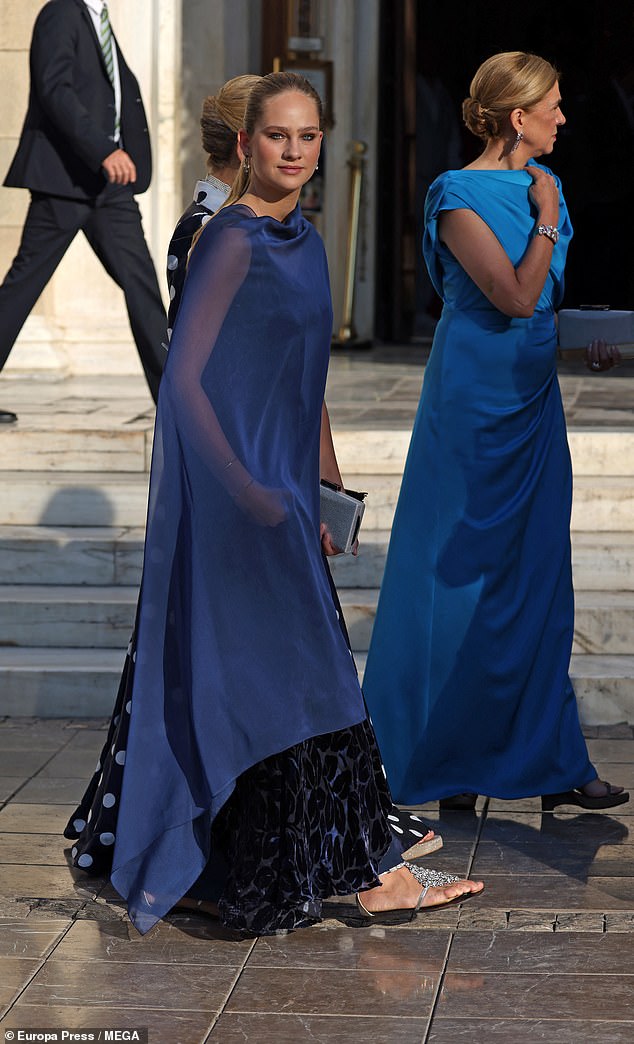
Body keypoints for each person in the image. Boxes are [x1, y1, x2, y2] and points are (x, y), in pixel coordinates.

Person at [64, 72, 483, 934]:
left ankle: (361, 870)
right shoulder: (231, 241)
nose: (293, 152)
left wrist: (325, 490)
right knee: (310, 680)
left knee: (310, 681)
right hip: (237, 506)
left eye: (308, 136)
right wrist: (251, 490)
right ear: (247, 144)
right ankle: (375, 875)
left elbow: (308, 383)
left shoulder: (304, 238)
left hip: (287, 503)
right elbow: (183, 387)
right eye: (277, 137)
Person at [363, 52, 629, 814]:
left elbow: (544, 306)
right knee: (452, 583)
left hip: (533, 401)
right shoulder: (457, 194)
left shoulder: (548, 188)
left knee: (536, 581)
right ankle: (444, 761)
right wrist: (545, 213)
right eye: (552, 104)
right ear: (518, 117)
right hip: (472, 411)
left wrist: (587, 344)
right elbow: (512, 296)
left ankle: (553, 761)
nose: (563, 117)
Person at [0, 0, 166, 423]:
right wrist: (104, 150)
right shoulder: (60, 13)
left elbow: (112, 95)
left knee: (142, 285)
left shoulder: (100, 20)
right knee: (23, 287)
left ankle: (174, 400)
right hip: (65, 184)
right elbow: (54, 90)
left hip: (110, 190)